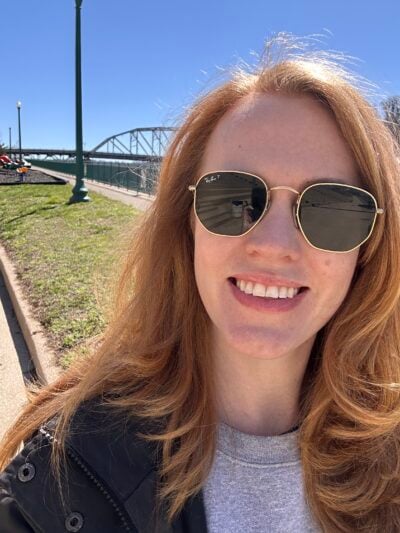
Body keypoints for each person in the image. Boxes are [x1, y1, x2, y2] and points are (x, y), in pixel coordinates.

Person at [1, 34, 400, 532]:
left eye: (331, 210)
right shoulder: (63, 477)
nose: (273, 244)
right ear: (186, 224)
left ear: (369, 247)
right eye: (233, 198)